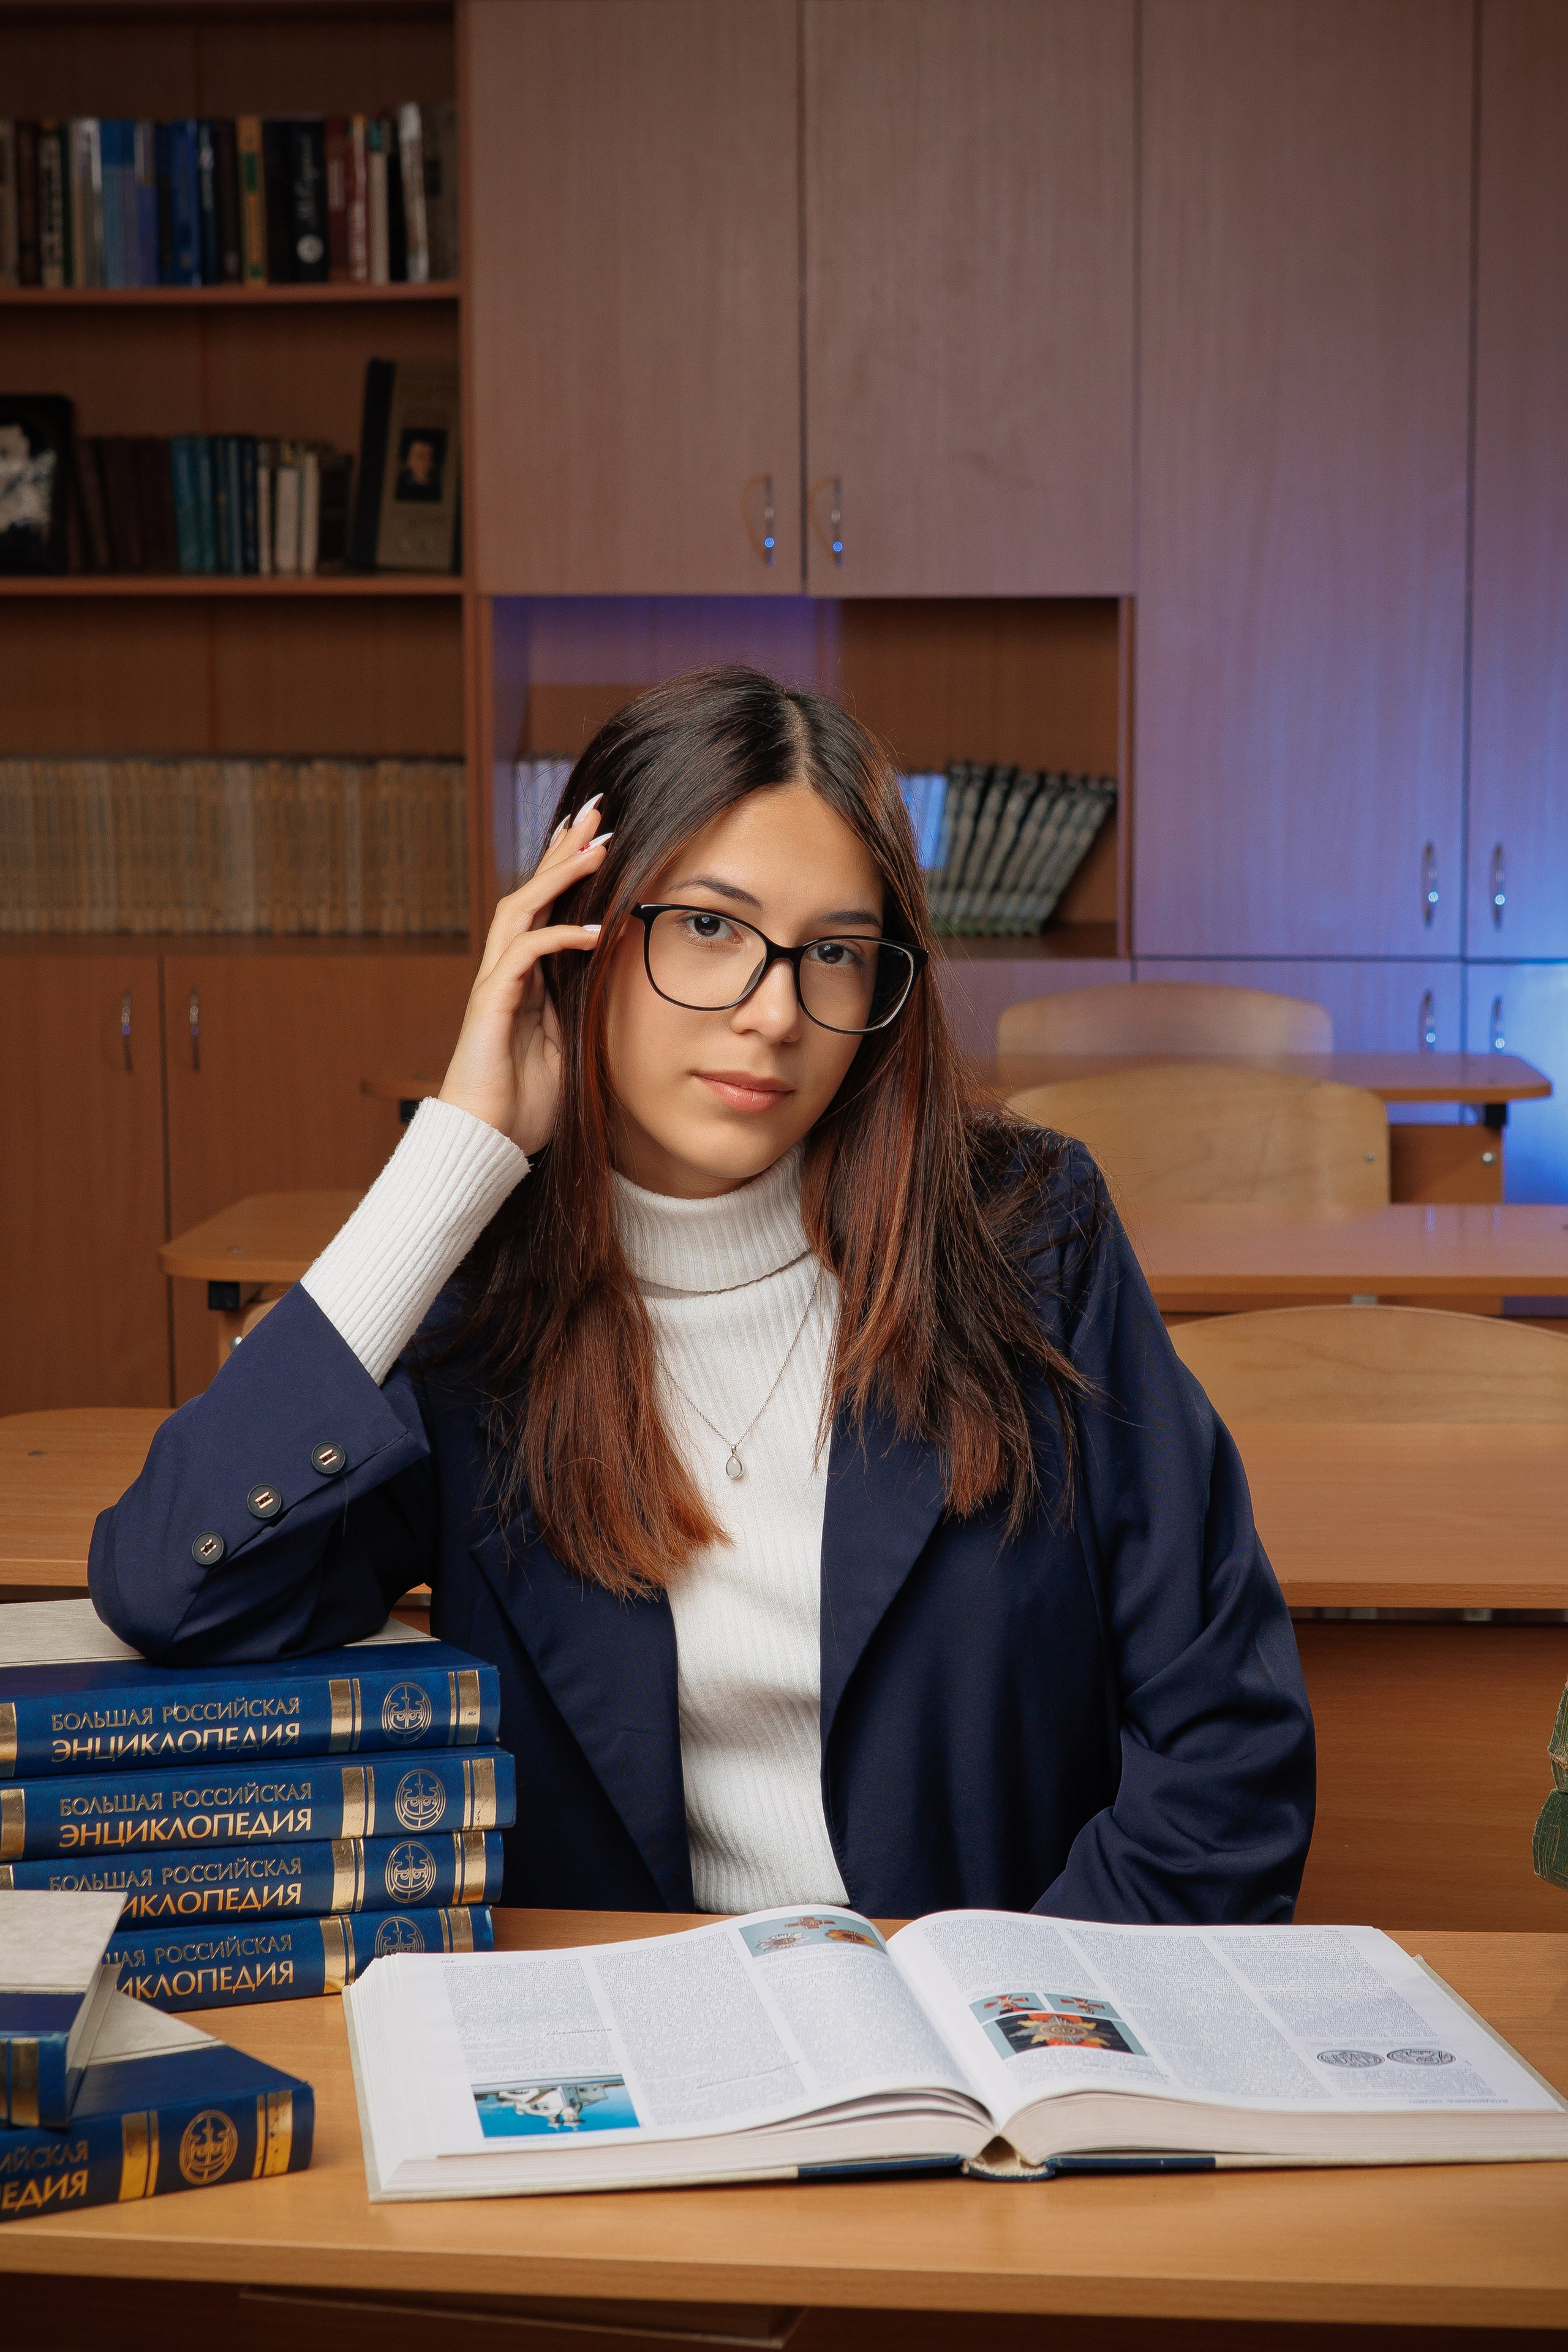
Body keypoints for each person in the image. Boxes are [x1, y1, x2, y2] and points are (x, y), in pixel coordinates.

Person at [91, 667, 1314, 1924]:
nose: (775, 1014)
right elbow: (175, 1586)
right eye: (711, 929)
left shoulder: (1031, 1236)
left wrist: (1026, 2009)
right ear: (580, 932)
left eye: (833, 953)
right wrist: (455, 1150)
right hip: (627, 2021)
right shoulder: (482, 1306)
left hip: (987, 2018)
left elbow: (1229, 1750)